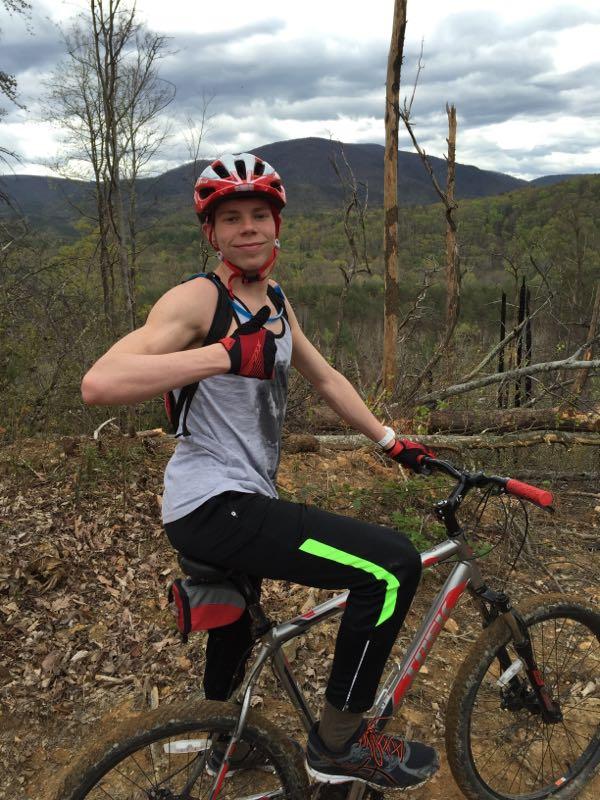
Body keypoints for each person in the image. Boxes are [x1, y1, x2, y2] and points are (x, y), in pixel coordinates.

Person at [81, 152, 439, 790]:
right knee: (390, 566)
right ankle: (340, 744)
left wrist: (391, 442)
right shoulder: (197, 300)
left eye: (259, 215)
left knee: (238, 624)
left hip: (240, 498)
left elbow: (324, 376)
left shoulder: (274, 301)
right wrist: (219, 356)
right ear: (210, 233)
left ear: (277, 227)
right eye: (231, 218)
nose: (247, 228)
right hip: (211, 502)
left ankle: (225, 747)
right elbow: (99, 383)